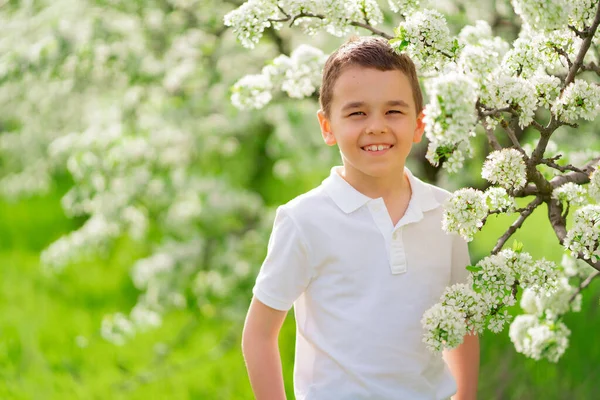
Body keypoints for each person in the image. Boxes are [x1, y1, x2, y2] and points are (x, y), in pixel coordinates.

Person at [241, 36, 479, 400]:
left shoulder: (447, 213)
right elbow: (259, 334)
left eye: (394, 111)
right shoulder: (304, 220)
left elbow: (462, 320)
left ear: (419, 123)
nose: (377, 127)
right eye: (357, 113)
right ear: (327, 126)